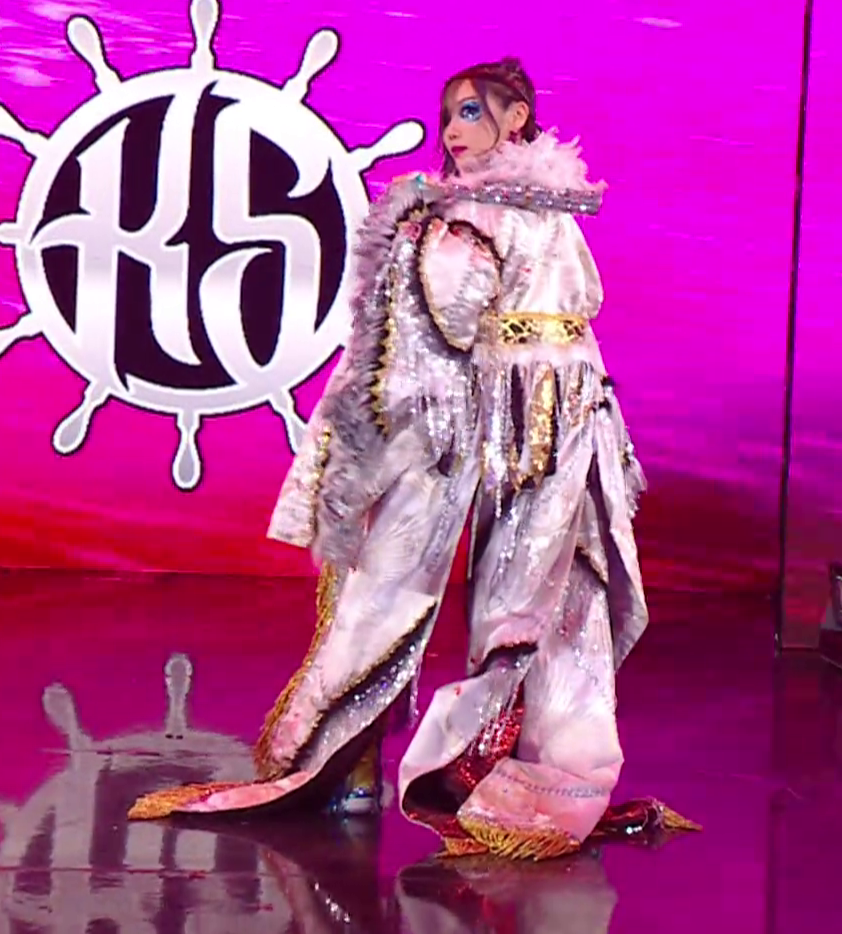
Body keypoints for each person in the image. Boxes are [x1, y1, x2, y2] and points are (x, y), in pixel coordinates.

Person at [131, 58, 693, 861]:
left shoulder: (530, 206)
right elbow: (444, 327)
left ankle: (520, 772)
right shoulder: (467, 215)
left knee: (549, 596)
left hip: (560, 419)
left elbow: (515, 316)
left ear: (518, 116)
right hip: (488, 411)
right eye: (447, 116)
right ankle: (357, 763)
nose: (453, 131)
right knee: (395, 581)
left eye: (471, 112)